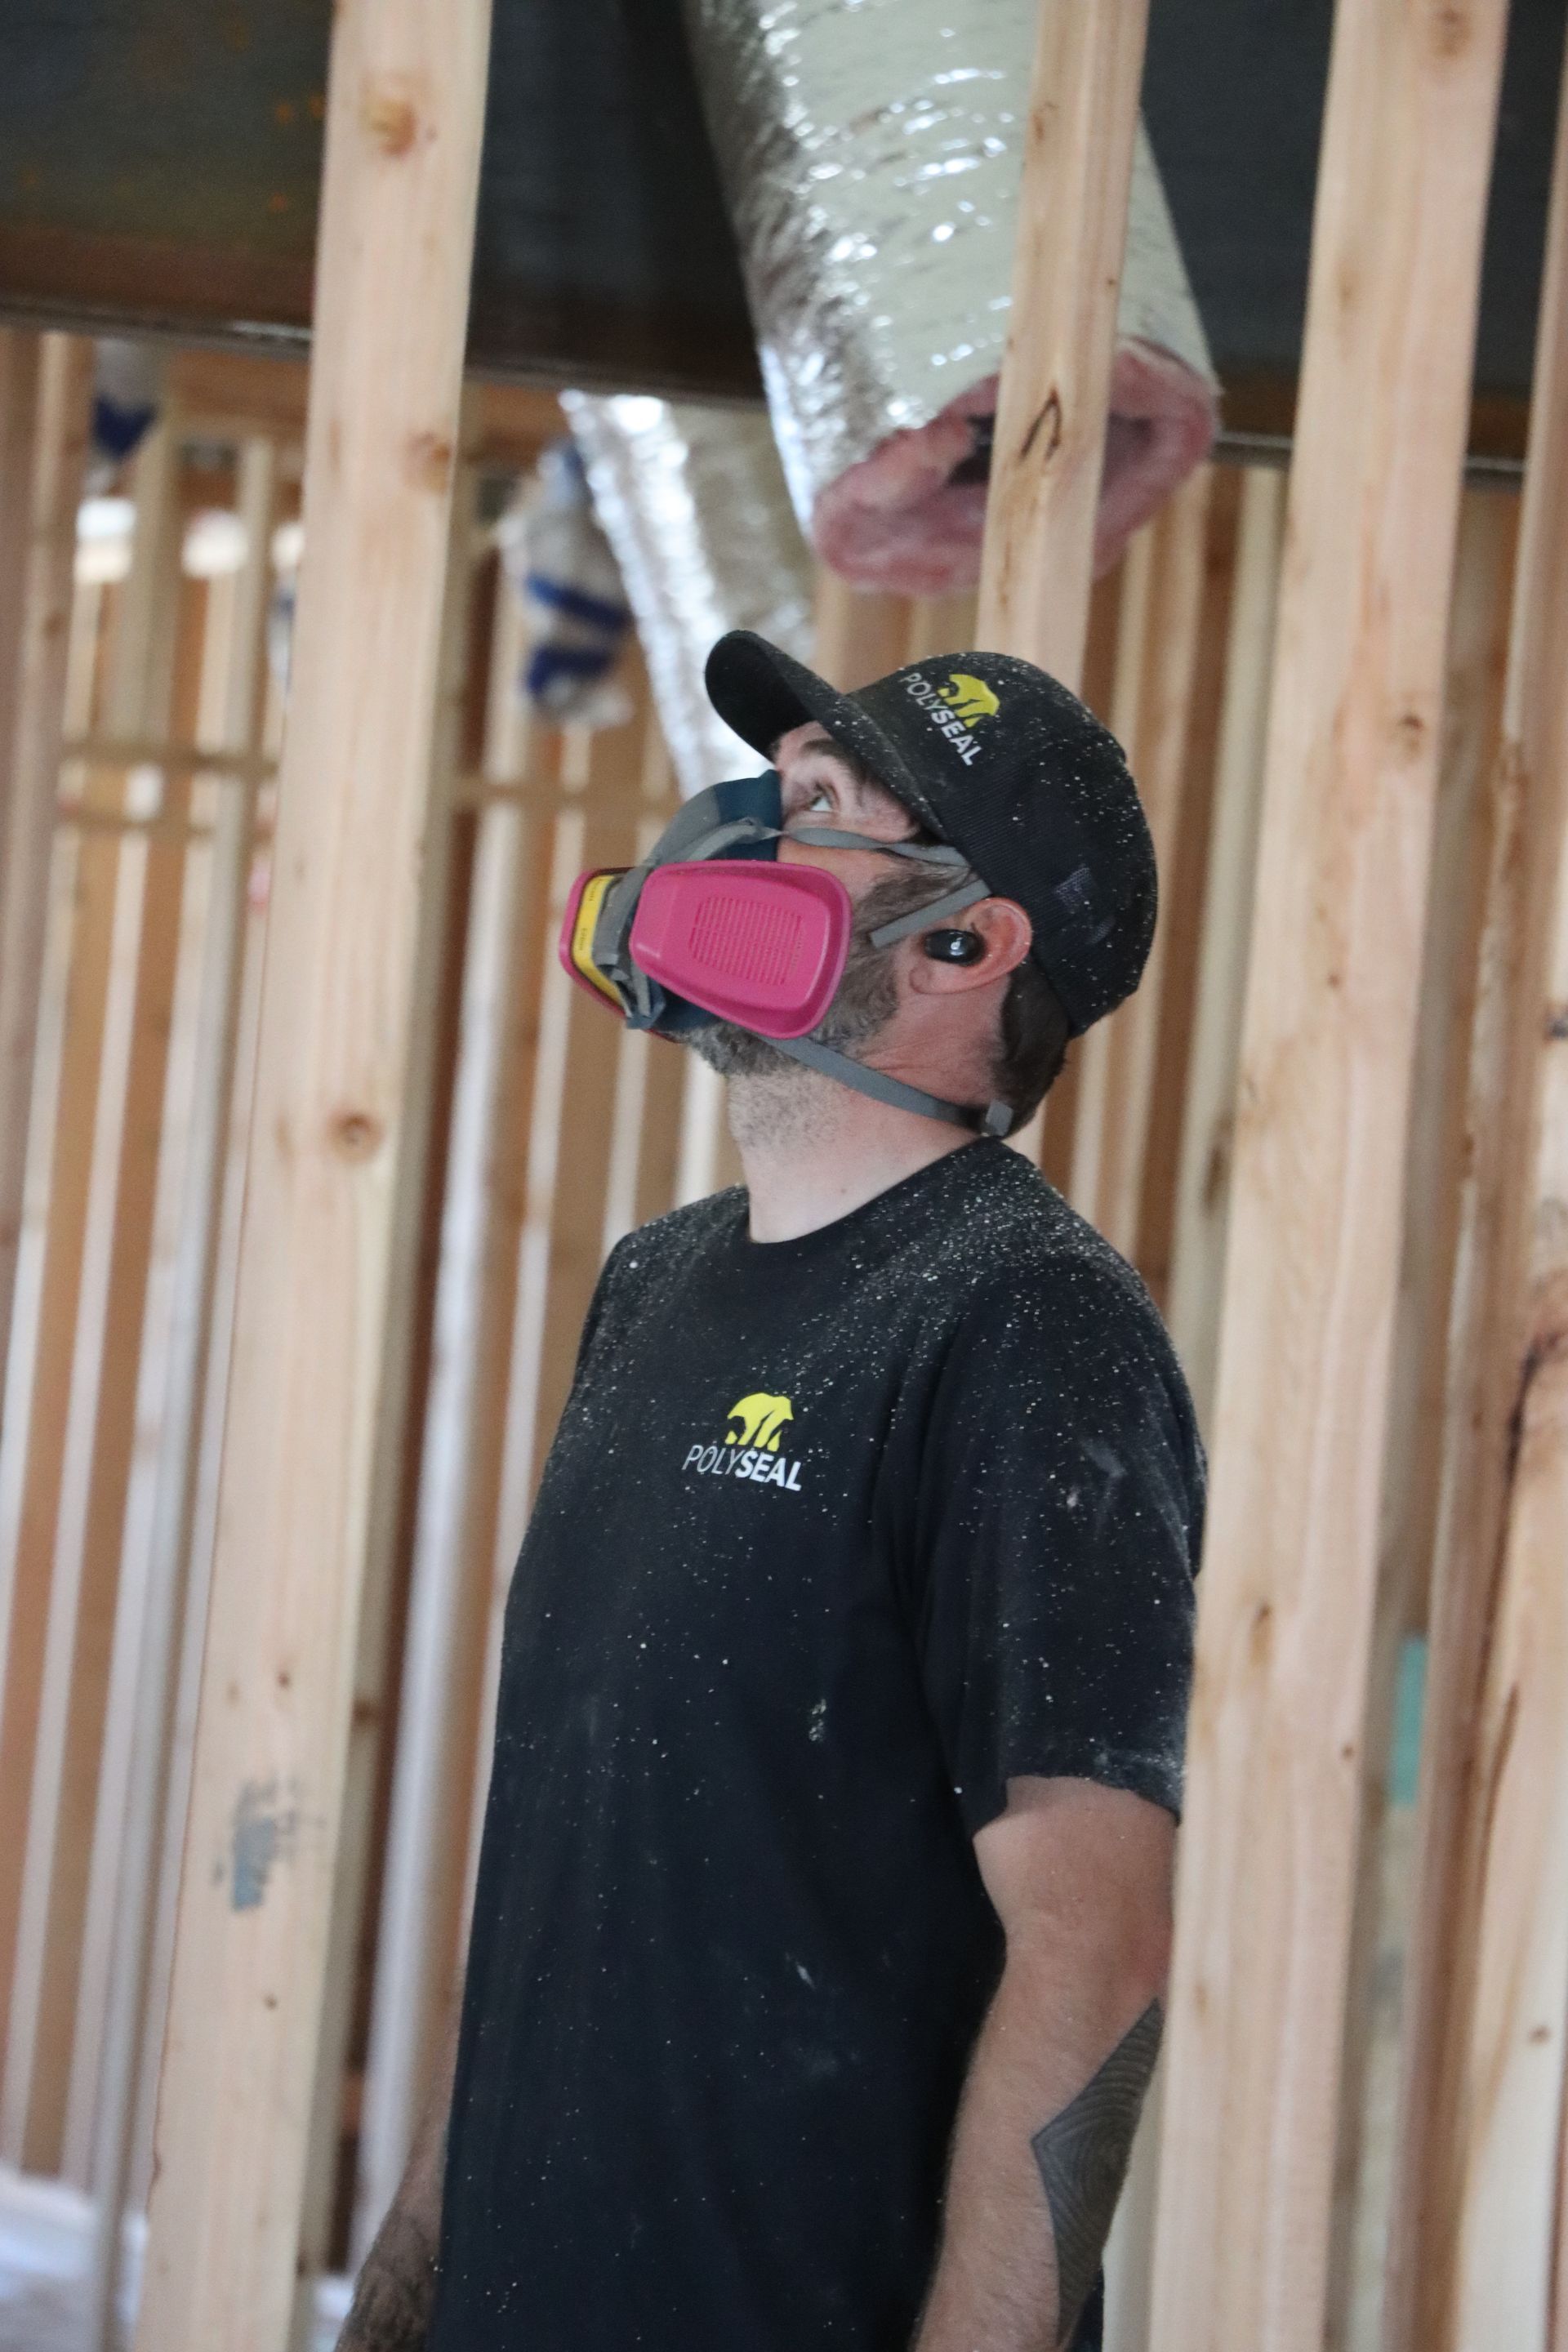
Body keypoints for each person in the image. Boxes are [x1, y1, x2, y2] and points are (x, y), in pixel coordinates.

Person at [340, 632, 1205, 2352]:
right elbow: (575, 1855)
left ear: (966, 941)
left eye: (812, 807)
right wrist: (412, 2277)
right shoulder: (652, 1287)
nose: (728, 837)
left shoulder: (1030, 1324)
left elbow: (1091, 1952)